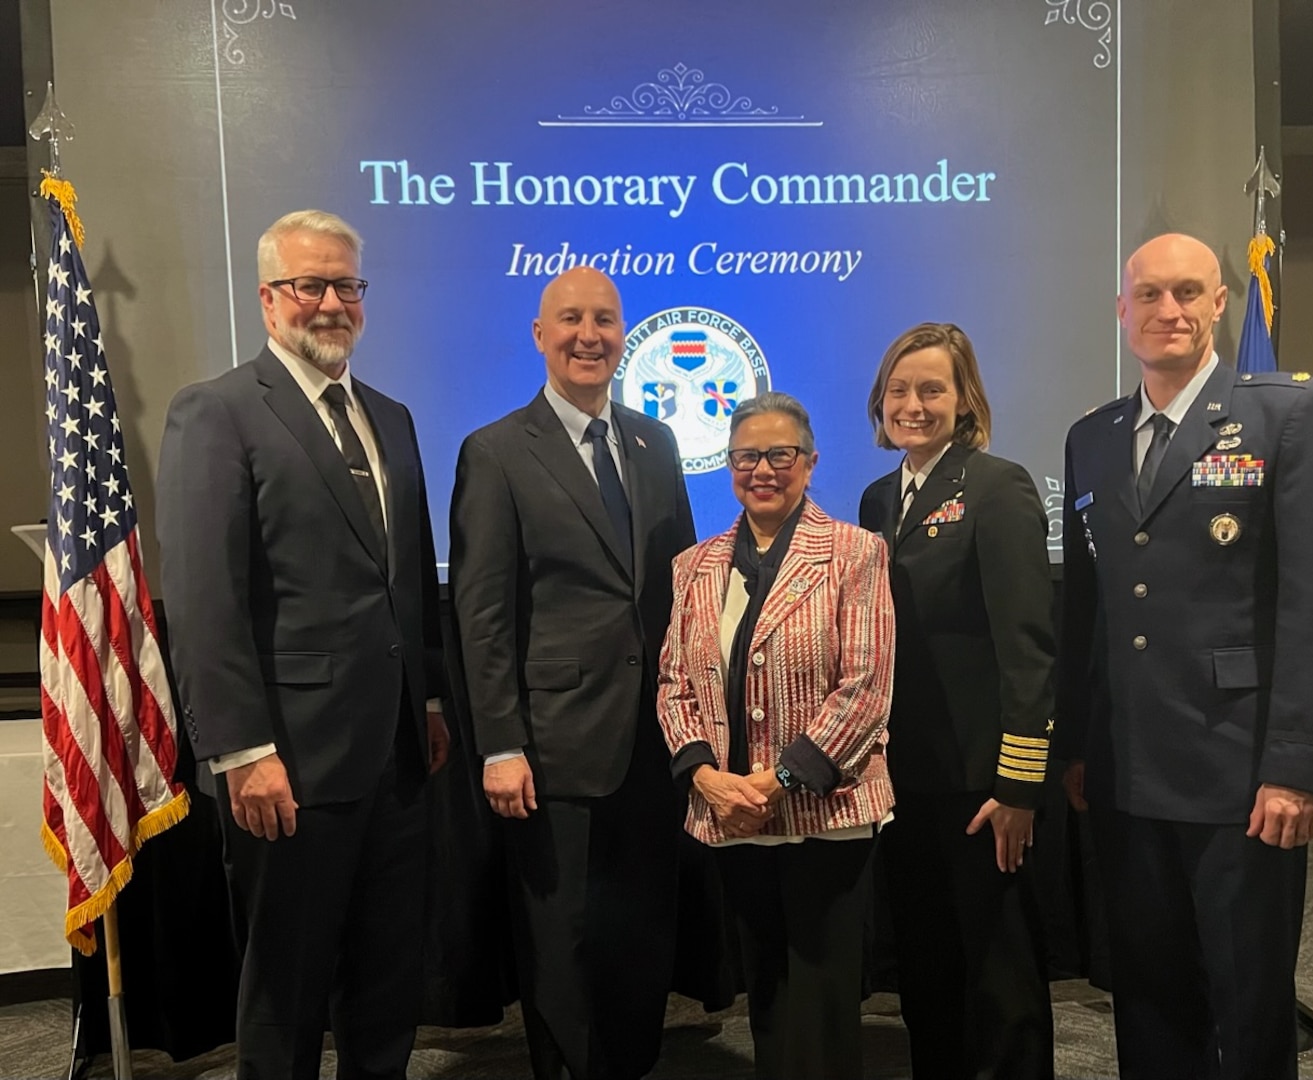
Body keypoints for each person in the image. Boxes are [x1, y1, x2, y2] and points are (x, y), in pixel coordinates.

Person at [1057, 232, 1313, 1080]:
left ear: (1221, 303)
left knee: (1248, 996)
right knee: (1148, 995)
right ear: (1122, 311)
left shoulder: (1289, 414)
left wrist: (1298, 767)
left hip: (1241, 769)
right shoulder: (1092, 436)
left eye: (1189, 292)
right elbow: (1090, 609)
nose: (1170, 311)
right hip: (1127, 767)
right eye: (1150, 295)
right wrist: (1079, 744)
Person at [156, 209, 450, 1080]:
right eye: (310, 285)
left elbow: (407, 580)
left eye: (346, 286)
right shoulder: (217, 412)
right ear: (267, 297)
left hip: (396, 755)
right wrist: (242, 752)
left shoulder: (391, 417)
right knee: (286, 985)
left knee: (387, 976)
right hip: (287, 762)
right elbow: (204, 598)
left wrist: (431, 698)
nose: (330, 303)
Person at [449, 266, 696, 1080]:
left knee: (641, 936)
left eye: (605, 319)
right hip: (552, 747)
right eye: (570, 319)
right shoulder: (494, 452)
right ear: (539, 334)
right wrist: (500, 744)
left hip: (653, 743)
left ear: (624, 333)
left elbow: (681, 588)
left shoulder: (655, 443)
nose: (589, 335)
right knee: (563, 942)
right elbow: (482, 613)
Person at [658, 391, 894, 1080]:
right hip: (733, 813)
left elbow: (866, 688)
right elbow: (674, 683)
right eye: (746, 456)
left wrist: (781, 780)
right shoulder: (693, 566)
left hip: (826, 812)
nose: (762, 469)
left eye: (780, 455)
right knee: (767, 991)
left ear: (810, 463)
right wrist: (707, 778)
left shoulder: (855, 552)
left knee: (821, 997)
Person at [858, 323, 1056, 1079]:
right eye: (899, 390)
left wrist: (1019, 786)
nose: (912, 405)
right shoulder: (879, 498)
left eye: (931, 389)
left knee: (999, 972)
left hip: (981, 783)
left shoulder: (997, 486)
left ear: (964, 399)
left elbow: (1027, 647)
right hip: (905, 779)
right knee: (927, 968)